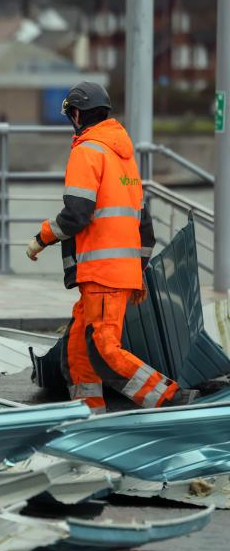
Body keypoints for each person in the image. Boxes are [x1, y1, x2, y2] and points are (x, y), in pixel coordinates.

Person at [26, 81, 196, 413]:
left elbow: (76, 214)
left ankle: (170, 399)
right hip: (116, 275)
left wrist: (41, 238)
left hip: (103, 275)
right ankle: (87, 412)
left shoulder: (86, 151)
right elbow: (144, 227)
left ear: (76, 114)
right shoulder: (124, 157)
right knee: (78, 348)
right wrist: (137, 272)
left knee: (103, 348)